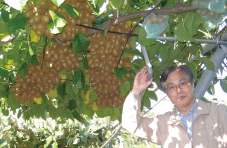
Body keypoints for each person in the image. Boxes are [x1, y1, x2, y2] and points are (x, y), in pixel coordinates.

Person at [122, 65, 227, 148]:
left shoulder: (220, 113)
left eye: (183, 83)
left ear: (192, 85)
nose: (178, 90)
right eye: (171, 87)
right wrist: (136, 91)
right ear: (167, 94)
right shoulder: (163, 124)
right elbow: (131, 124)